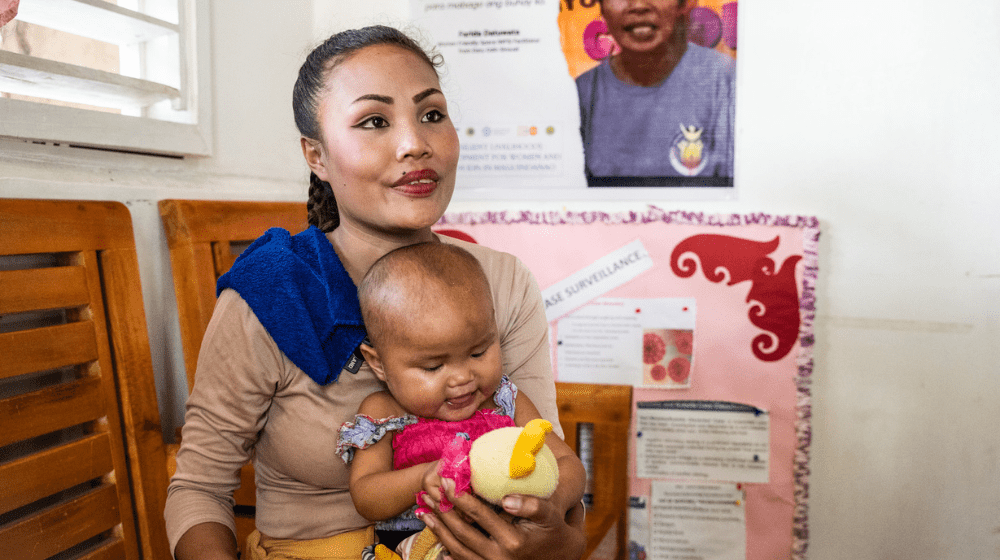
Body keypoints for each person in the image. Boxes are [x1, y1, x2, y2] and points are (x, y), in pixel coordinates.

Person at [164, 25, 586, 560]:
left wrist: (552, 543)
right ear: (316, 155)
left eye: (432, 114)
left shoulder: (502, 283)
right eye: (374, 121)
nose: (415, 144)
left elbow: (549, 475)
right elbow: (199, 488)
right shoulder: (272, 296)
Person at [337, 243, 586, 559]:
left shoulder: (504, 401)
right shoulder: (384, 411)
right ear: (378, 364)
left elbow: (568, 463)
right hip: (408, 545)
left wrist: (551, 505)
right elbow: (367, 497)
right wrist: (427, 475)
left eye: (479, 352)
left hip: (505, 541)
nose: (462, 378)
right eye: (433, 366)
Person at [576, 0, 735, 186]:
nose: (638, 5)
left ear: (683, 4)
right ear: (601, 6)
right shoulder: (581, 94)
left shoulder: (726, 82)